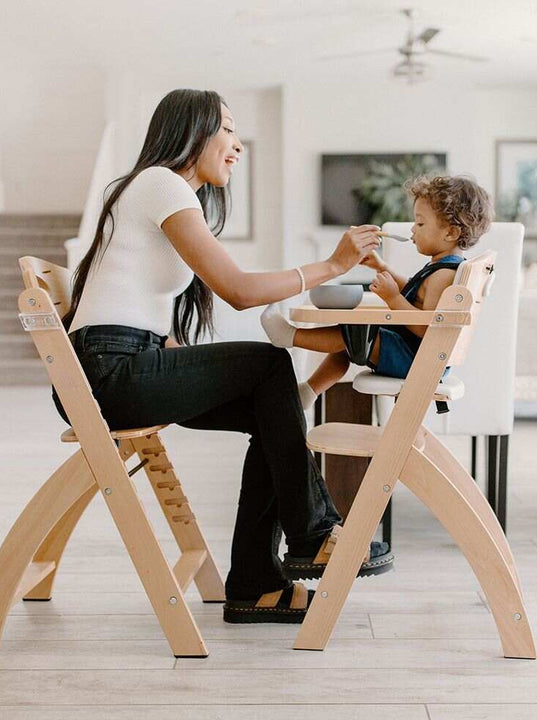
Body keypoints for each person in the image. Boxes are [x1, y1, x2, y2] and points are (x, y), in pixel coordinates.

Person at [52, 88, 393, 625]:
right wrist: (332, 265)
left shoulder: (160, 192)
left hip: (123, 364)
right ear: (191, 131)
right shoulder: (159, 183)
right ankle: (315, 534)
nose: (237, 145)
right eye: (227, 129)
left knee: (268, 399)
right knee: (267, 363)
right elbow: (237, 289)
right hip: (108, 374)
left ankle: (257, 584)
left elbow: (139, 310)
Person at [260, 175, 493, 409]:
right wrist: (383, 268)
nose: (413, 229)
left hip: (413, 360)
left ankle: (290, 336)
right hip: (415, 356)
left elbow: (426, 327)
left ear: (451, 233)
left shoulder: (445, 275)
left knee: (351, 335)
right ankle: (309, 391)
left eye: (420, 224)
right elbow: (416, 290)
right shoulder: (442, 268)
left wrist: (392, 297)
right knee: (349, 344)